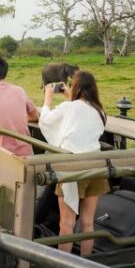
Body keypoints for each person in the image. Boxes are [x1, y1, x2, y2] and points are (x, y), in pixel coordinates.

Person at [38, 70, 107, 257]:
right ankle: (86, 263)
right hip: (96, 166)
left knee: (66, 223)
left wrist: (48, 99)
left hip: (73, 168)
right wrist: (70, 96)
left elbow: (45, 121)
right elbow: (80, 117)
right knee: (87, 223)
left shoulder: (68, 108)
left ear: (75, 87)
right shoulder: (100, 110)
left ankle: (63, 267)